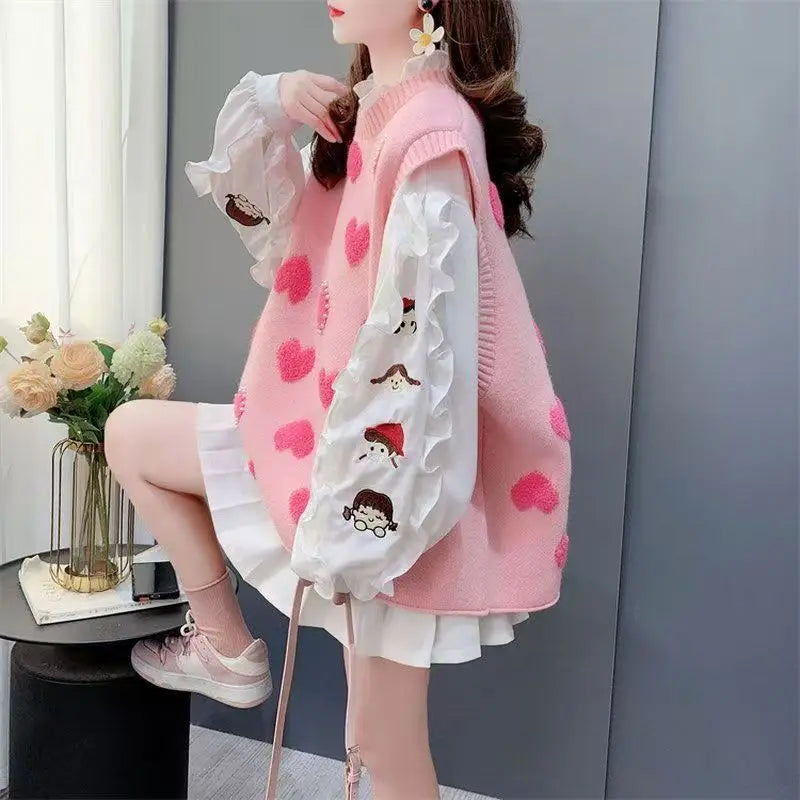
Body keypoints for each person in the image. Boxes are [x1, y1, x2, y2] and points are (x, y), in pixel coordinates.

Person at [105, 1, 572, 798]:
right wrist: (273, 98)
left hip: (387, 489)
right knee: (132, 435)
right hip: (308, 441)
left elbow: (423, 367)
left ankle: (232, 647)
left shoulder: (430, 133)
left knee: (382, 745)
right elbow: (274, 218)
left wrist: (364, 526)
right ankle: (225, 647)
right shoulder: (374, 115)